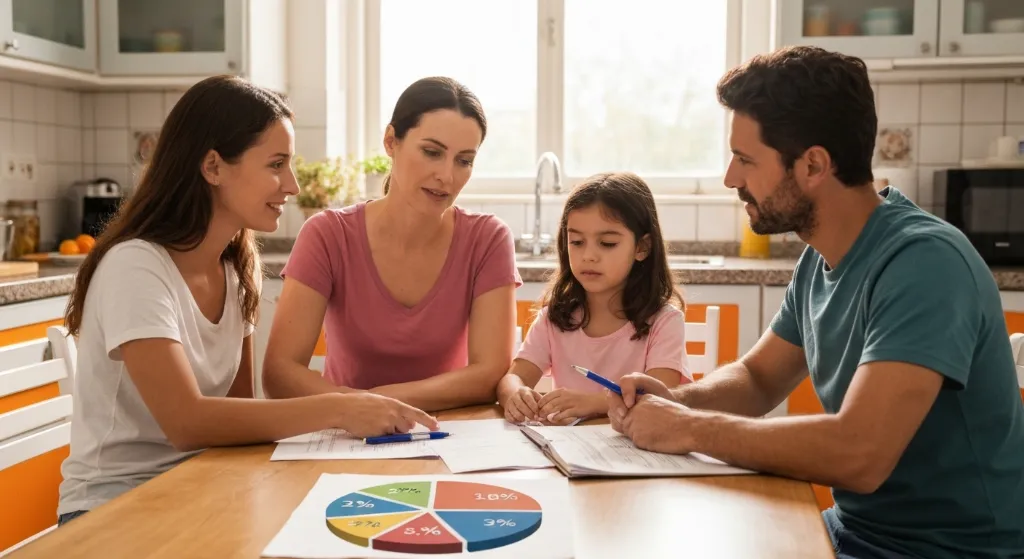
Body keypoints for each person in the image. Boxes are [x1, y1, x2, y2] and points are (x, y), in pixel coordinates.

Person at [607, 46, 1024, 559]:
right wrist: (678, 402)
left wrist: (688, 428)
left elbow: (859, 453)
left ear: (813, 165)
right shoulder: (820, 258)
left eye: (745, 159)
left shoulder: (925, 263)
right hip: (854, 534)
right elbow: (759, 378)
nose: (731, 178)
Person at [57, 75, 437, 525]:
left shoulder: (235, 269)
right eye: (276, 164)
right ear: (213, 167)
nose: (292, 185)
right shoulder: (135, 266)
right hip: (111, 511)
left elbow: (240, 416)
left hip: (202, 489)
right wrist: (340, 408)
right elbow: (187, 422)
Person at [261, 77, 522, 412]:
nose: (447, 176)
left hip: (450, 432)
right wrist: (361, 410)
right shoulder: (327, 235)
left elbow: (490, 375)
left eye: (464, 160)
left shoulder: (487, 239)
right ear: (390, 141)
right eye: (432, 152)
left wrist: (375, 403)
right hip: (347, 430)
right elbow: (280, 375)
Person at [499, 172, 690, 426]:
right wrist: (515, 393)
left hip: (636, 447)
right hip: (570, 447)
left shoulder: (664, 322)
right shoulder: (553, 319)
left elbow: (660, 399)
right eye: (577, 242)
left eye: (607, 243)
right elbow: (513, 378)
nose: (588, 255)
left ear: (642, 247)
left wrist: (593, 403)